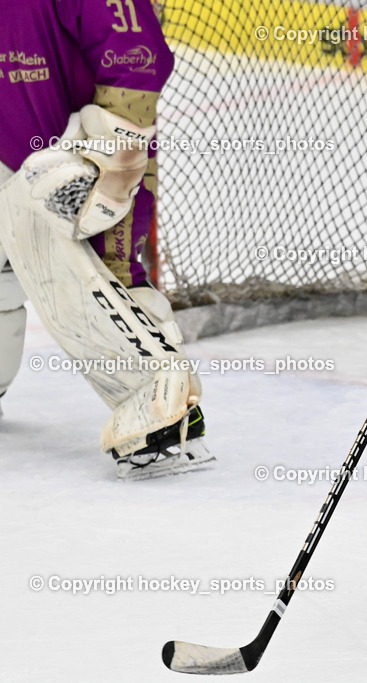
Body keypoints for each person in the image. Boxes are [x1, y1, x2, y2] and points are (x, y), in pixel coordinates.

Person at [0, 0, 212, 480]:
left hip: (70, 156)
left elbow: (138, 55)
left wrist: (116, 151)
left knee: (100, 269)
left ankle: (159, 402)